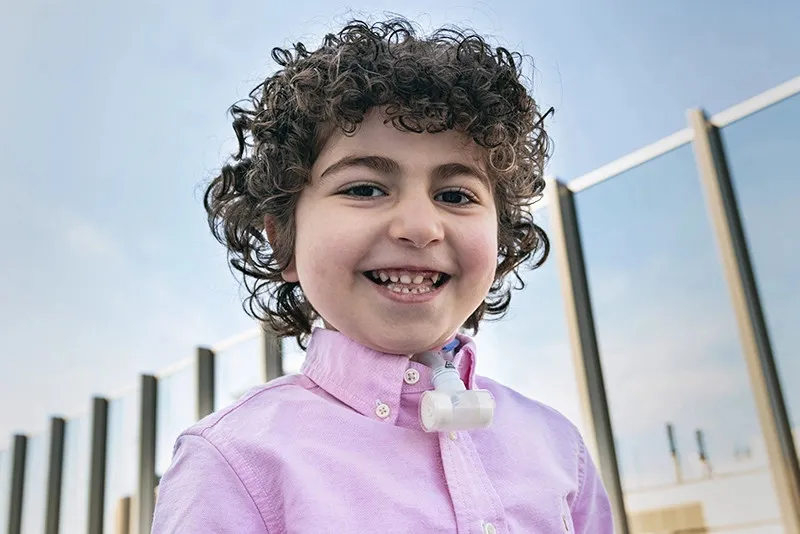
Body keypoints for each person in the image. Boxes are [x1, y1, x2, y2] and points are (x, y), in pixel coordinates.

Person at [151, 17, 614, 533]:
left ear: (501, 241)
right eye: (365, 188)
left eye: (456, 196)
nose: (420, 227)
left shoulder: (558, 449)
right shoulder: (232, 463)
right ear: (282, 239)